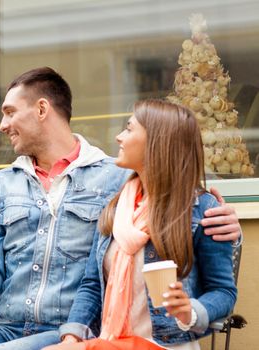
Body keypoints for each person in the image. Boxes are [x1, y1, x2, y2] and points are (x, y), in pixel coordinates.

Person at [0, 67, 241, 350]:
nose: (2, 125)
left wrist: (229, 229)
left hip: (78, 330)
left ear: (42, 109)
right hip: (8, 324)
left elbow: (175, 190)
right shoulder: (4, 184)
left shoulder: (114, 180)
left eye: (10, 112)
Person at [45, 99, 237, 350]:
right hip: (111, 341)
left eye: (129, 128)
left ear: (157, 141)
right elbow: (92, 284)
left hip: (165, 345)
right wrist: (72, 337)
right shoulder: (115, 206)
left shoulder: (202, 210)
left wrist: (190, 310)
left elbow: (223, 292)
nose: (118, 137)